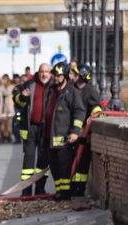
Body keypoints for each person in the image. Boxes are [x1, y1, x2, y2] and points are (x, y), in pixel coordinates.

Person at [45, 62, 86, 201]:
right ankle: (59, 191)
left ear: (65, 76)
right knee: (54, 167)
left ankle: (65, 194)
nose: (56, 78)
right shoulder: (51, 91)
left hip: (64, 139)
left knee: (64, 168)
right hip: (50, 138)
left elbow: (79, 112)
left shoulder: (72, 92)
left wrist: (75, 132)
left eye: (58, 75)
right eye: (54, 75)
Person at [13, 63, 52, 196]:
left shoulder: (53, 87)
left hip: (45, 128)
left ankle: (40, 188)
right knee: (28, 159)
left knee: (43, 159)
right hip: (30, 128)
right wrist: (22, 96)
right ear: (38, 72)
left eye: (47, 72)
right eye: (42, 71)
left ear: (51, 73)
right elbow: (18, 101)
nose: (44, 74)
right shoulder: (29, 84)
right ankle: (26, 190)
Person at [70, 62, 103, 198]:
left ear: (83, 76)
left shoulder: (91, 92)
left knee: (82, 164)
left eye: (76, 74)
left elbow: (96, 111)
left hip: (84, 135)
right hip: (72, 133)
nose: (73, 76)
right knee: (71, 162)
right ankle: (71, 188)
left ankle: (79, 189)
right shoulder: (72, 89)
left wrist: (86, 130)